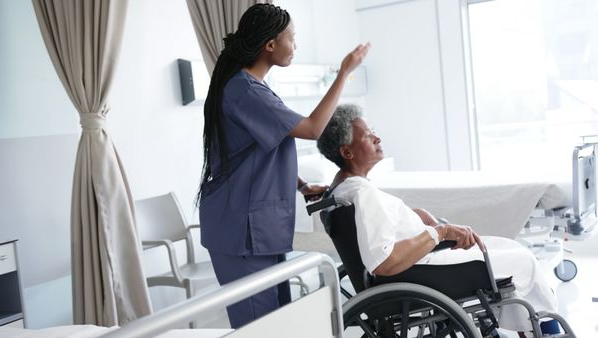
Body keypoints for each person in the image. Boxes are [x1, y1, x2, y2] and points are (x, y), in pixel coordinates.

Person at [316, 104, 561, 336]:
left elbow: (380, 225)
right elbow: (384, 261)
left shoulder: (344, 190)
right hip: (422, 270)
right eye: (368, 136)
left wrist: (416, 217)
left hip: (420, 264)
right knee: (524, 261)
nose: (377, 138)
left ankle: (523, 330)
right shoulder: (361, 193)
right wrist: (440, 233)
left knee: (509, 247)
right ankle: (544, 332)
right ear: (347, 152)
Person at [197, 4, 370, 329]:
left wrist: (302, 185)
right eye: (292, 38)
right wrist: (343, 73)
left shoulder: (252, 88)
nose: (295, 45)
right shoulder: (243, 89)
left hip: (258, 228)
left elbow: (263, 150)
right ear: (270, 45)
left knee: (279, 323)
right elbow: (311, 128)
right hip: (241, 230)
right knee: (260, 329)